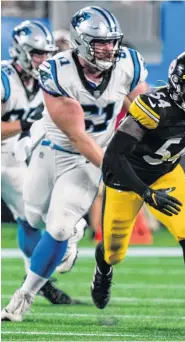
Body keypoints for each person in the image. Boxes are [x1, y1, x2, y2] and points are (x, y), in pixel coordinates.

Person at [1, 6, 149, 322]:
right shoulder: (57, 70)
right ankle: (75, 228)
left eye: (112, 42)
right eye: (100, 43)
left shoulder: (127, 65)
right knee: (33, 218)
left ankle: (24, 295)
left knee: (56, 226)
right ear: (82, 43)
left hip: (88, 157)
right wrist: (119, 171)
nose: (109, 49)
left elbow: (142, 110)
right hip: (53, 148)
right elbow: (77, 135)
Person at [92, 50, 185, 331]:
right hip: (126, 179)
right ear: (176, 84)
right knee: (115, 252)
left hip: (166, 172)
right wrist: (146, 193)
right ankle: (103, 269)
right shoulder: (154, 106)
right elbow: (113, 158)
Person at [1, 20, 76, 305]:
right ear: (19, 51)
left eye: (46, 53)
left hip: (13, 157)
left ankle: (36, 278)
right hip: (5, 156)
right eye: (36, 53)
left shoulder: (44, 79)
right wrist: (25, 123)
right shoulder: (4, 76)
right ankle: (38, 277)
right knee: (34, 213)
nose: (42, 59)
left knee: (30, 216)